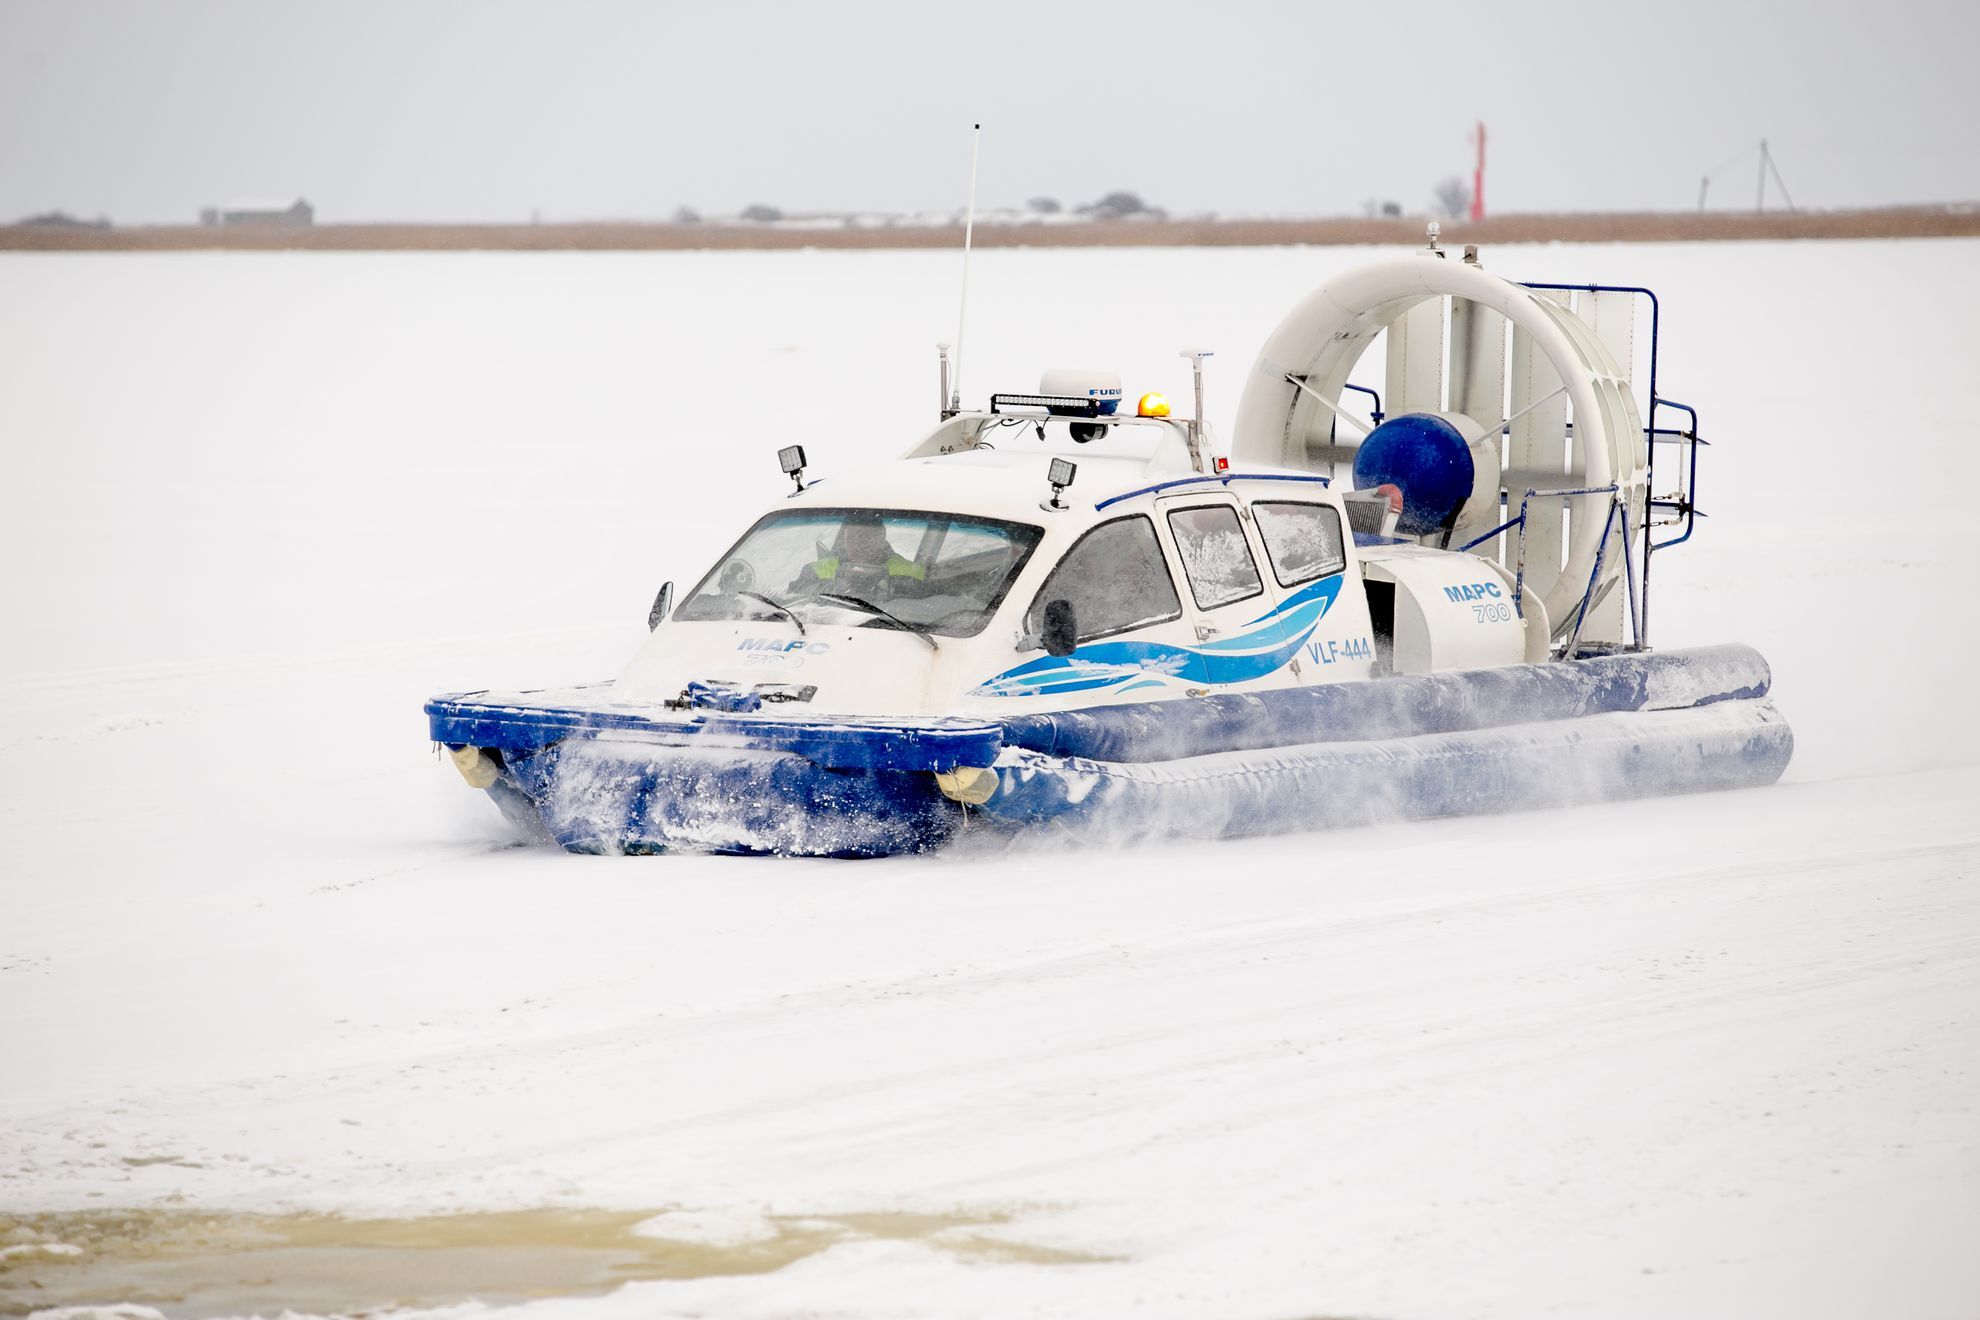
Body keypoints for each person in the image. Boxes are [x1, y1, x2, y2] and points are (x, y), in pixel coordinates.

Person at [797, 513, 925, 595]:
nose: (859, 544)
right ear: (844, 537)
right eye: (852, 537)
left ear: (882, 535)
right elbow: (797, 607)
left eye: (866, 536)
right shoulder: (814, 571)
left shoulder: (912, 573)